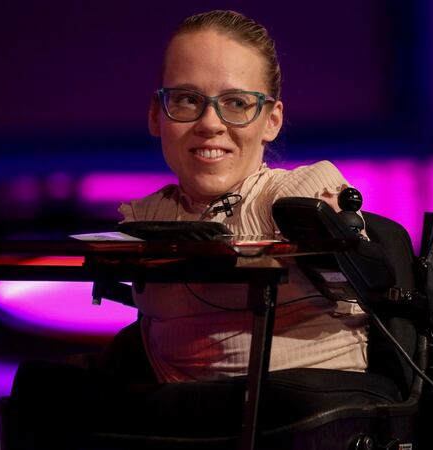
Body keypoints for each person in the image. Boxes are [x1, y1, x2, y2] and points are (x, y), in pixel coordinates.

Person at [115, 10, 370, 383]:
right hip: (171, 416)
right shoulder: (146, 215)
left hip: (294, 422)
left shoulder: (292, 196)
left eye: (236, 104)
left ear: (271, 120)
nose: (210, 123)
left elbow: (357, 265)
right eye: (187, 99)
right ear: (157, 115)